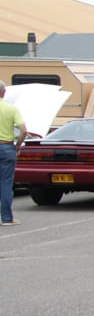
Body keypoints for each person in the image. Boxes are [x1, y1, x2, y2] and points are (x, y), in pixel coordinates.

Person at [0, 82, 28, 226]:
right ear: (3, 93)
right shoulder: (11, 109)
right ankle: (6, 218)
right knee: (5, 183)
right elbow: (23, 130)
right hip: (5, 146)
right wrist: (18, 144)